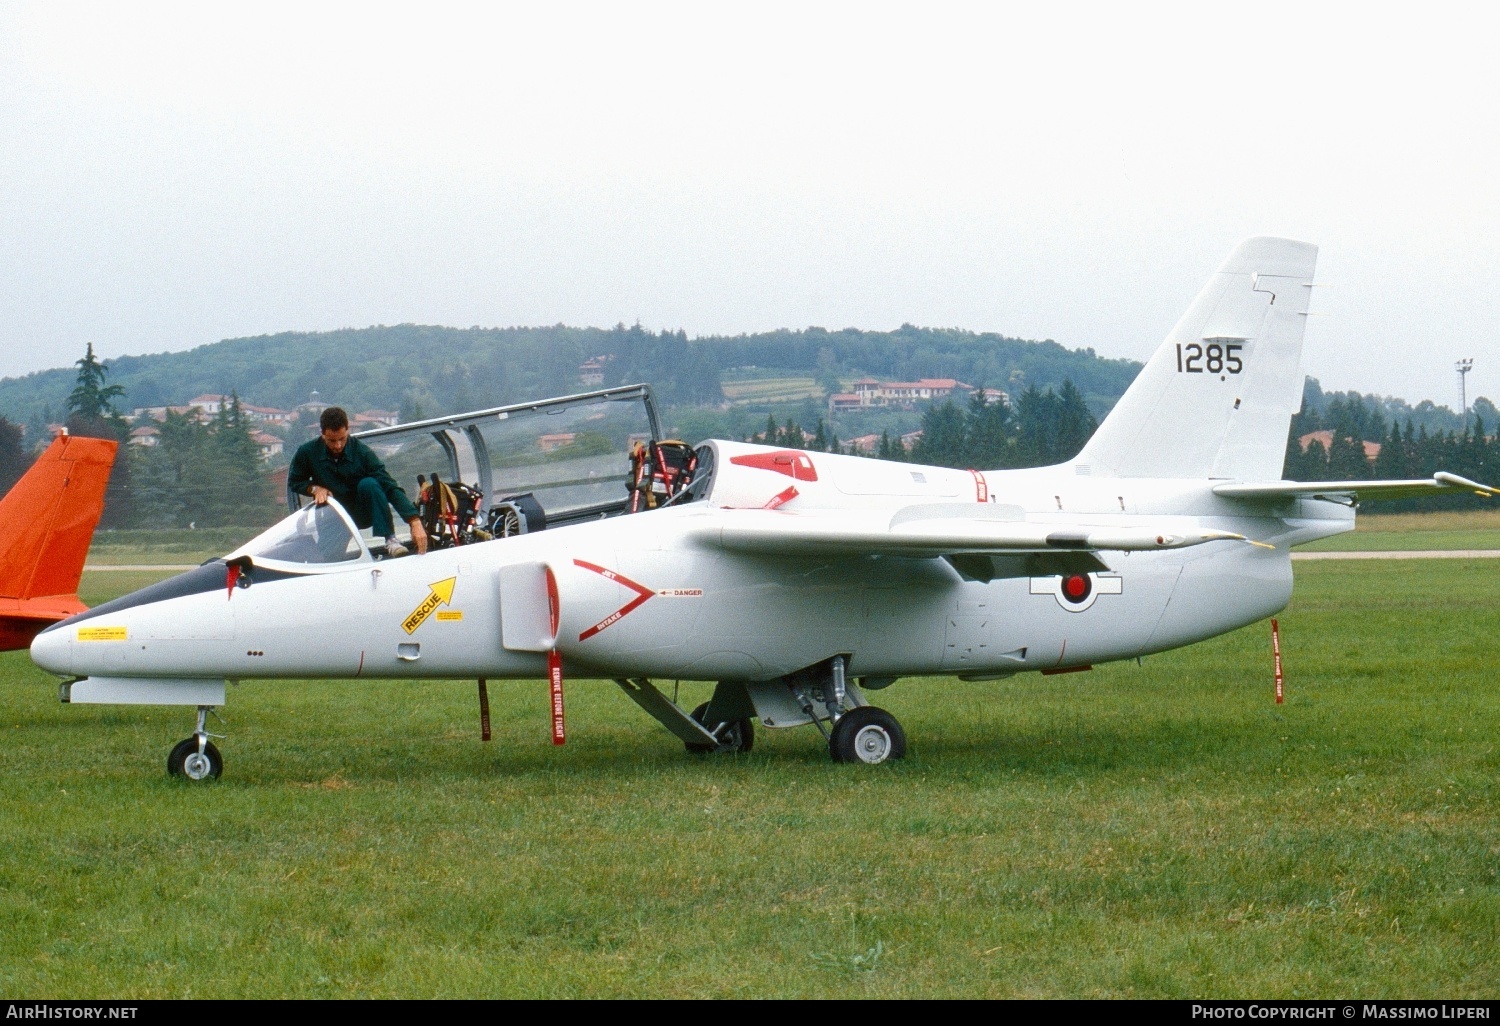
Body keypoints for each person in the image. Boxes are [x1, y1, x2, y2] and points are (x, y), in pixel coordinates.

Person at [288, 407, 428, 557]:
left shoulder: (362, 452)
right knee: (326, 560)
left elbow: (389, 486)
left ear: (348, 430)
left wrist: (414, 521)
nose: (338, 446)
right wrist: (314, 489)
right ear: (322, 434)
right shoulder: (307, 452)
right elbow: (295, 481)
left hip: (362, 511)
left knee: (370, 484)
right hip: (333, 516)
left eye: (342, 439)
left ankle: (391, 540)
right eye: (332, 441)